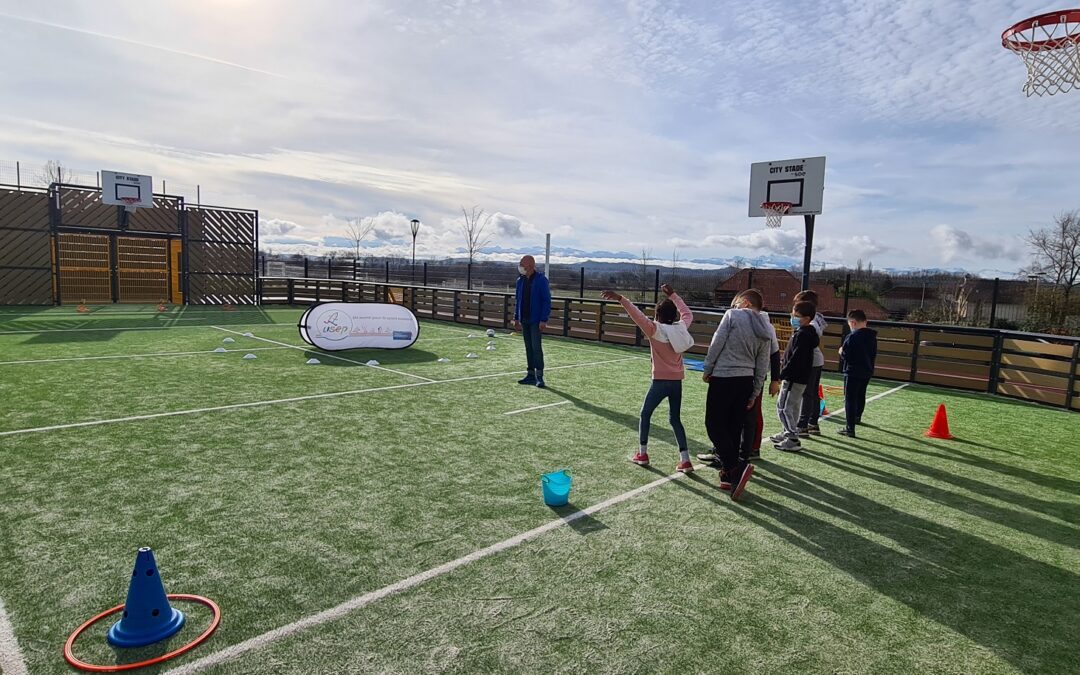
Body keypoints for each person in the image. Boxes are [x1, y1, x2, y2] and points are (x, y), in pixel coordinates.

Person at [601, 284, 695, 472]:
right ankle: (685, 459)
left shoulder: (654, 329)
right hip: (677, 382)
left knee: (645, 414)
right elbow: (687, 314)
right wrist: (674, 295)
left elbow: (636, 315)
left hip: (659, 381)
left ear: (658, 315)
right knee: (675, 419)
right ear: (673, 315)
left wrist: (621, 298)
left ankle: (642, 453)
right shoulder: (681, 328)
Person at [702, 293, 773, 500]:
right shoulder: (766, 328)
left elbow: (717, 342)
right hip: (746, 381)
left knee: (714, 424)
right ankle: (727, 476)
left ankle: (734, 468)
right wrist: (756, 390)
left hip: (724, 377)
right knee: (733, 428)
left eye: (736, 302)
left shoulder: (732, 315)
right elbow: (763, 363)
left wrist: (708, 367)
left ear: (746, 303)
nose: (734, 305)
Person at [773, 301, 820, 453]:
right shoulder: (806, 333)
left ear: (806, 318)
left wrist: (783, 374)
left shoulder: (803, 335)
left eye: (796, 316)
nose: (792, 318)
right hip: (799, 378)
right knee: (792, 407)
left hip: (794, 378)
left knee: (783, 407)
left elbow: (796, 358)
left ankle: (792, 437)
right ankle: (788, 431)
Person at [838, 309, 878, 437]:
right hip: (867, 370)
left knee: (850, 398)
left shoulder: (852, 337)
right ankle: (857, 417)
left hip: (852, 371)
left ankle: (850, 428)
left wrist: (841, 352)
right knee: (861, 394)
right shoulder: (872, 336)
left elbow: (847, 355)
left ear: (853, 323)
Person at [793, 289, 828, 437]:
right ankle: (813, 423)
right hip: (816, 359)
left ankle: (802, 425)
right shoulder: (817, 318)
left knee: (807, 393)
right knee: (812, 392)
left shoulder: (811, 323)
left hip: (811, 360)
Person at [513, 255, 551, 388]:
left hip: (536, 320)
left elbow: (546, 301)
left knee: (536, 348)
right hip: (524, 319)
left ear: (529, 265)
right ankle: (530, 375)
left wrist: (543, 319)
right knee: (528, 347)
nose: (520, 266)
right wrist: (516, 318)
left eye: (522, 264)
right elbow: (518, 300)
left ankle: (539, 376)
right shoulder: (520, 281)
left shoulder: (541, 280)